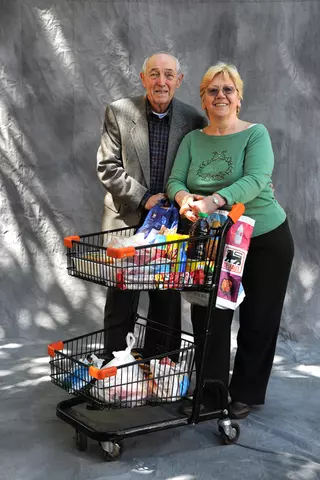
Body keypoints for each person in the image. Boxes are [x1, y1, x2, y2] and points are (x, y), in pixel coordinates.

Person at [166, 62, 294, 418]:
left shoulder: (256, 134)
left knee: (259, 318)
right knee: (208, 316)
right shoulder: (193, 140)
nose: (220, 95)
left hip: (265, 238)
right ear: (204, 100)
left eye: (228, 90)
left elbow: (255, 179)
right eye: (212, 90)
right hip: (210, 240)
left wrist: (213, 200)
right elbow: (175, 181)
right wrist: (184, 200)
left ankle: (245, 393)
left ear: (239, 98)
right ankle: (210, 393)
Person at [97, 52, 207, 360]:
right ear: (143, 78)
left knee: (166, 302)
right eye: (154, 74)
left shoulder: (193, 120)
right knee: (121, 299)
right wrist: (145, 197)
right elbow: (107, 167)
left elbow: (200, 170)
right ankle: (115, 369)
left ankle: (161, 368)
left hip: (170, 226)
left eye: (169, 75)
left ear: (179, 80)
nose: (162, 81)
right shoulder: (119, 112)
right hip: (125, 218)